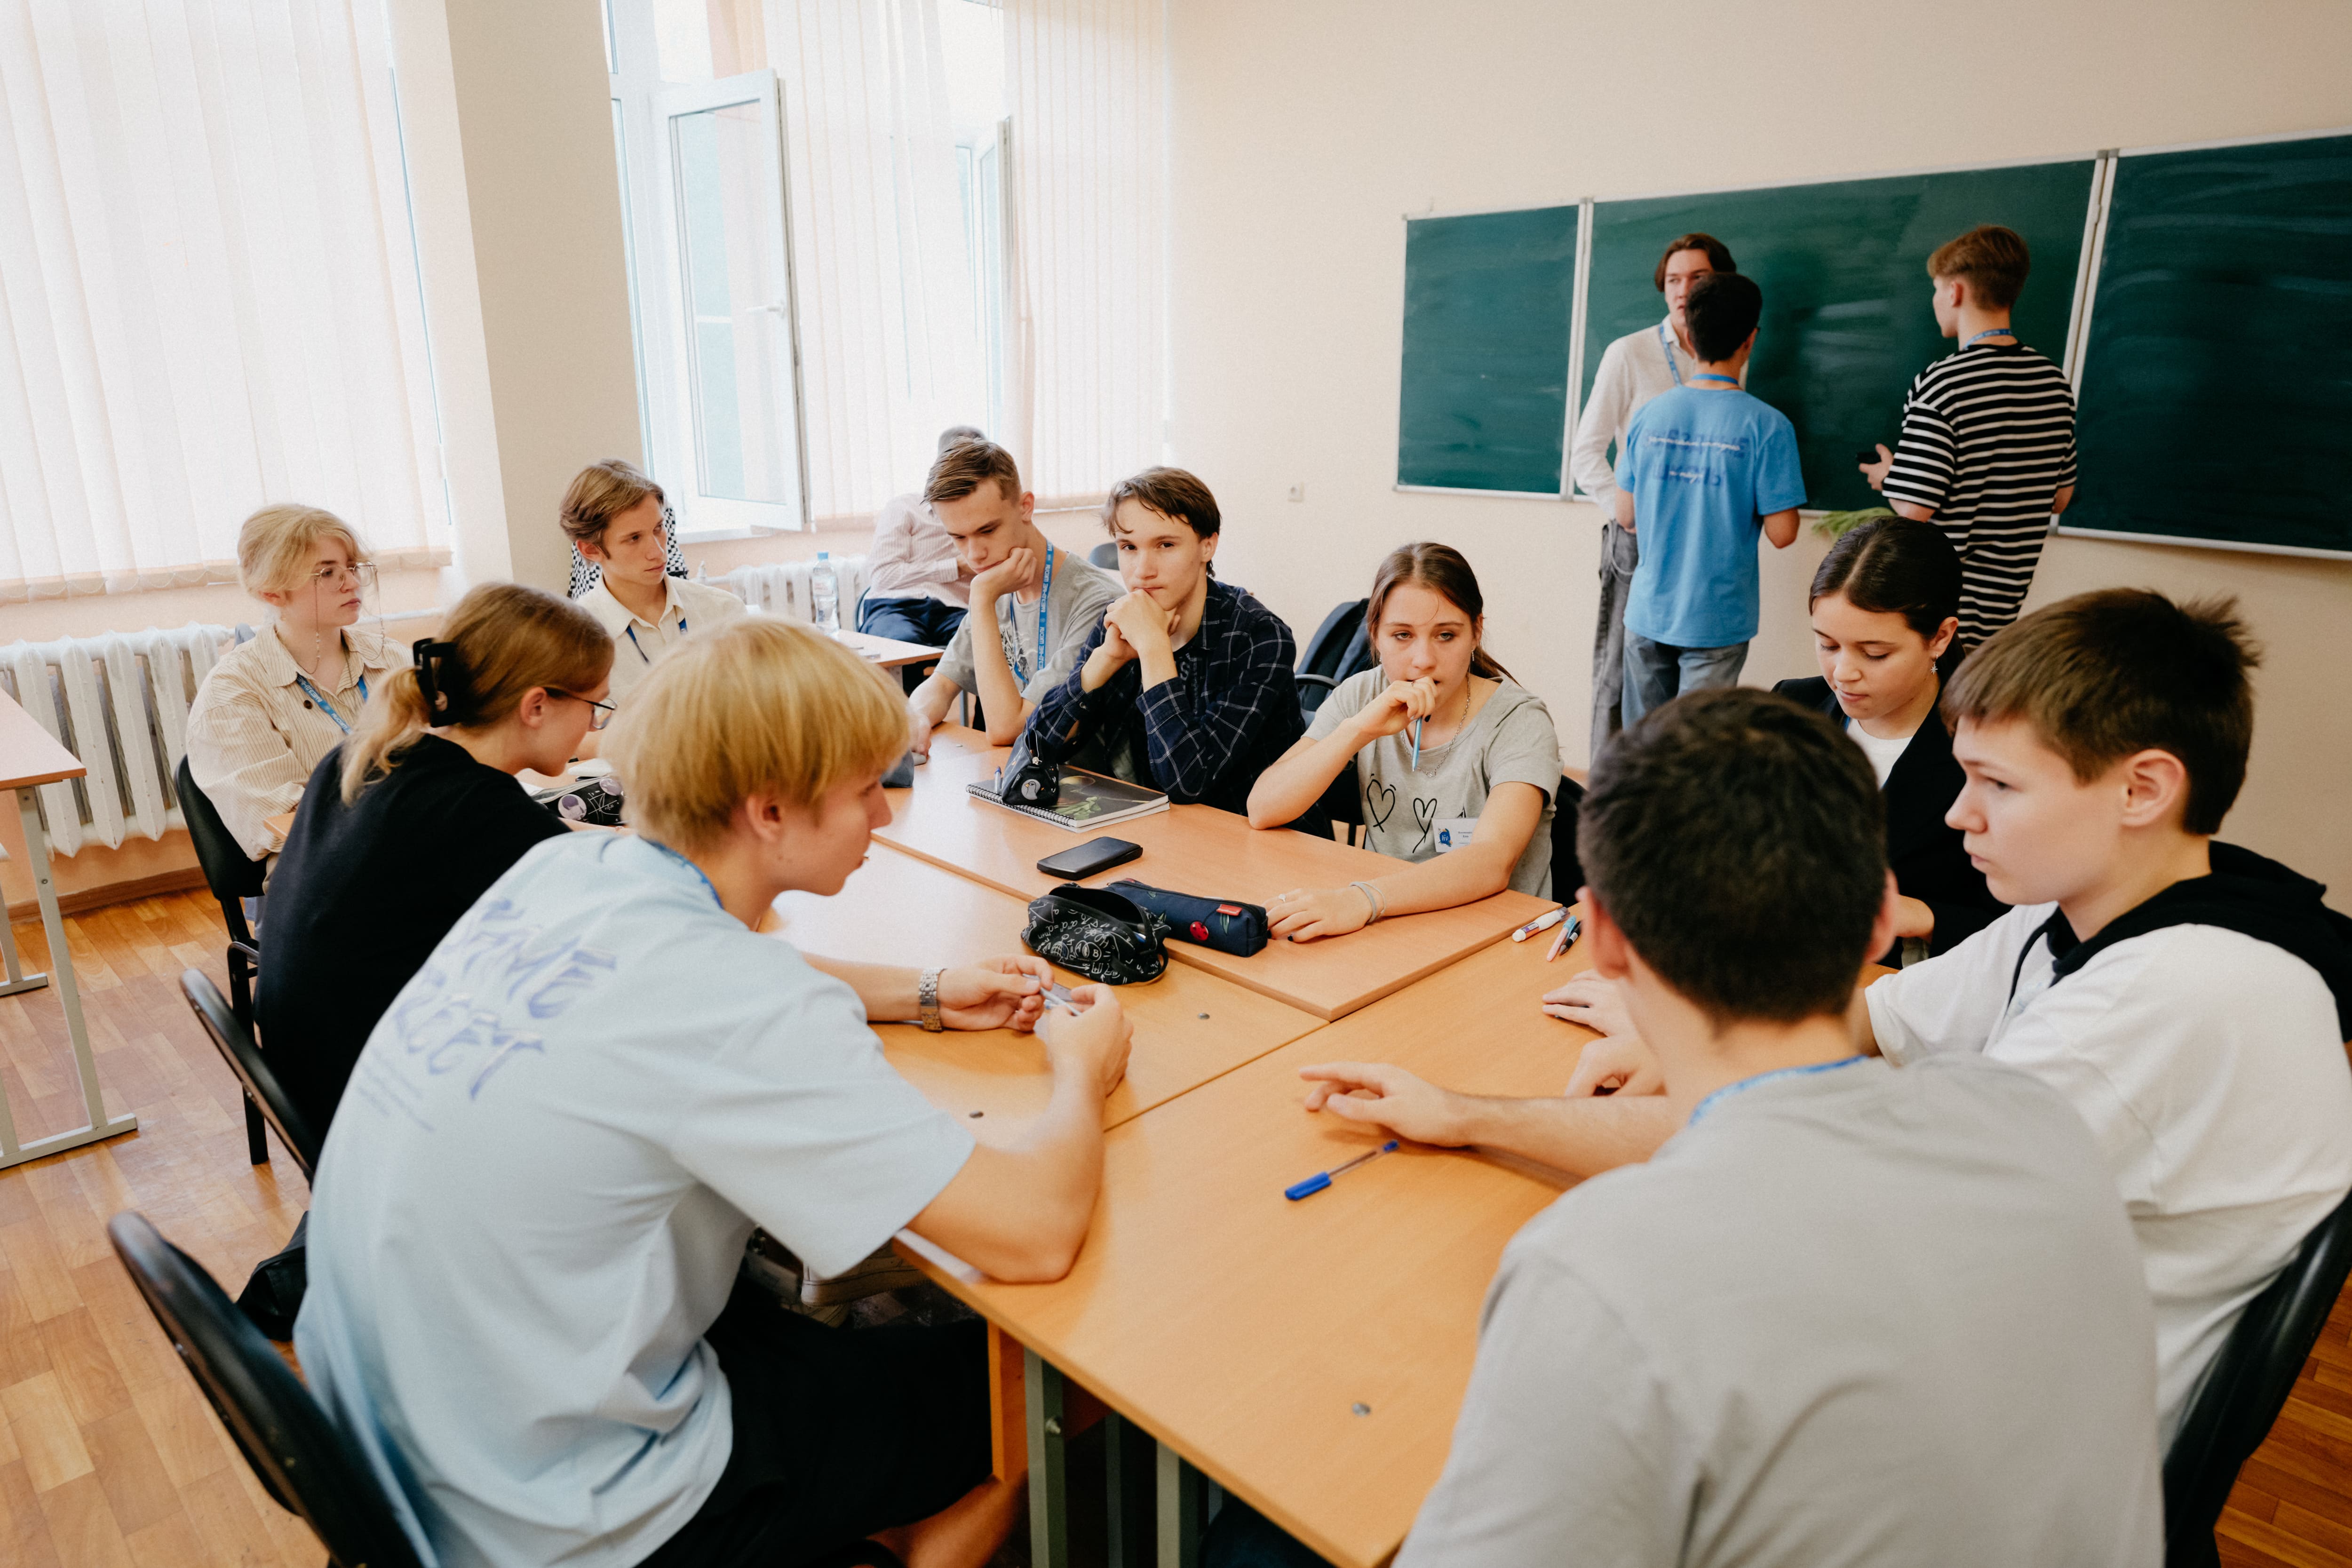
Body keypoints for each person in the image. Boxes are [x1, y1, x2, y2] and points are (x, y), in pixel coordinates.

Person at [1323, 590, 2352, 1447]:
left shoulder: (2177, 997)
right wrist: (1668, 1027)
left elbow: (1784, 1160)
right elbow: (1876, 1020)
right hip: (1986, 1353)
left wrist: (1472, 1114)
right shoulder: (2068, 918)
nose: (1959, 814)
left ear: (2143, 788)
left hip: (2003, 1447)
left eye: (1996, 784)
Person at [1207, 688, 2165, 1568]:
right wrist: (1465, 1114)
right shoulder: (2039, 1123)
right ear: (1881, 921)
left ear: (1604, 936)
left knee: (1268, 1528)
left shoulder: (1598, 1271)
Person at [295, 616, 1135, 1568]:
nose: (885, 815)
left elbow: (718, 975)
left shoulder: (569, 865)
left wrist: (929, 994)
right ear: (768, 811)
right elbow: (1033, 1232)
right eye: (866, 788)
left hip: (393, 1433)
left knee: (824, 1338)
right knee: (1035, 1362)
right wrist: (1082, 1068)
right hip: (557, 1509)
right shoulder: (739, 1003)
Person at [259, 582, 615, 1139]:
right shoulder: (484, 816)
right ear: (537, 705)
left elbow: (527, 836)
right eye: (596, 707)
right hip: (389, 1115)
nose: (594, 725)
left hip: (319, 1083)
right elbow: (617, 915)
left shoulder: (368, 757)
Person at [1245, 543, 1562, 936]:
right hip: (1388, 924)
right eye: (1402, 636)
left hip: (1489, 934)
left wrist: (1362, 899)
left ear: (1477, 631)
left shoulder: (1519, 720)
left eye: (1446, 635)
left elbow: (1491, 861)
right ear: (1375, 635)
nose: (1423, 659)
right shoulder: (1362, 694)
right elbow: (1262, 808)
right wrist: (1357, 730)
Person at [1772, 517, 2003, 964]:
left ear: (1940, 636)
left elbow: (2025, 925)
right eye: (1828, 645)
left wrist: (1923, 915)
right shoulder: (1793, 706)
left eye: (1875, 654)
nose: (1843, 673)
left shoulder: (1992, 749)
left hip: (1896, 988)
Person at [1025, 468, 1302, 816]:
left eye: (1166, 545)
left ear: (1208, 545)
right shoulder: (1121, 620)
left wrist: (1154, 647)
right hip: (1157, 830)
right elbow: (1034, 748)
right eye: (1129, 547)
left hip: (1255, 842)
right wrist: (1105, 660)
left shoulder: (1260, 637)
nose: (1143, 570)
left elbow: (1188, 782)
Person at [1859, 224, 2078, 647]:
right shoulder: (2053, 382)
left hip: (1938, 609)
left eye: (1937, 289)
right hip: (2004, 610)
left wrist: (1891, 476)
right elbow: (2060, 498)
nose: (1935, 300)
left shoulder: (1944, 383)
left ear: (1956, 291)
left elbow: (1914, 510)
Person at [1567, 232, 1738, 750]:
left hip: (1702, 547)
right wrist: (1628, 516)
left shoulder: (1733, 354)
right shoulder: (1631, 353)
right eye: (1672, 280)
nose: (1683, 290)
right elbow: (1585, 453)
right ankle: (1610, 796)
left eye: (1697, 278)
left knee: (1690, 686)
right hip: (1637, 544)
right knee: (1621, 680)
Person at [1614, 271, 1804, 725]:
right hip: (1716, 619)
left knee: (1645, 745)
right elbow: (1783, 533)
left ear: (1690, 337)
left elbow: (1626, 514)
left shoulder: (1650, 415)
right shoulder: (1769, 426)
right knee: (1695, 748)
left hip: (1648, 609)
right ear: (1750, 340)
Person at [186, 504, 407, 865]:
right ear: (272, 593)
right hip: (318, 867)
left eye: (351, 567)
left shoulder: (393, 660)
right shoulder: (232, 693)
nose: (351, 583)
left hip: (412, 839)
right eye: (326, 573)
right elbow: (289, 823)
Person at [906, 438, 1120, 751]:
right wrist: (916, 719)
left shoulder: (1095, 601)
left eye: (988, 530)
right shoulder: (998, 583)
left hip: (1081, 785)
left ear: (1026, 507)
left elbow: (1007, 729)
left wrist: (981, 597)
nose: (974, 554)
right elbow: (940, 684)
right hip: (1013, 779)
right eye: (958, 537)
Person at [562, 458, 745, 709]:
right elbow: (573, 740)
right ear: (591, 550)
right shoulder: (572, 638)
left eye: (658, 529)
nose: (657, 551)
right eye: (634, 538)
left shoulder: (723, 611)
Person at [860, 424, 984, 661]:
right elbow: (883, 576)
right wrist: (955, 567)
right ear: (940, 464)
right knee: (904, 649)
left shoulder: (985, 518)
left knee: (992, 647)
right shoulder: (904, 508)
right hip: (894, 607)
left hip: (956, 611)